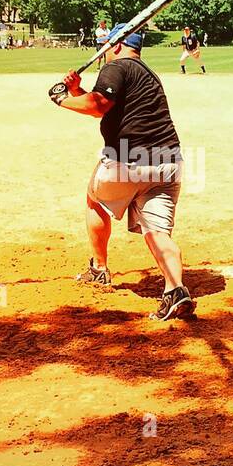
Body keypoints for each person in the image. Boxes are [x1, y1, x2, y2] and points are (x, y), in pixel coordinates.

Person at [52, 24, 195, 321]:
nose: (103, 50)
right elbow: (106, 105)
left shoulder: (117, 67)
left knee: (95, 199)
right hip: (169, 162)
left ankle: (99, 269)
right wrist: (77, 90)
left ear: (116, 45)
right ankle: (175, 288)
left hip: (129, 161)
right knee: (155, 231)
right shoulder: (145, 73)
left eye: (106, 44)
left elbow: (98, 105)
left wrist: (62, 99)